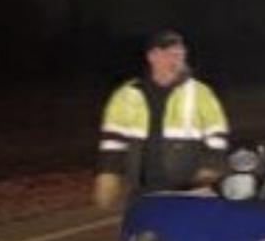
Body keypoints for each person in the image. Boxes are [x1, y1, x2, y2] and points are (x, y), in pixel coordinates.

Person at [92, 30, 230, 209]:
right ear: (152, 56)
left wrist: (211, 168)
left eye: (180, 55)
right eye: (170, 54)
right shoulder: (127, 94)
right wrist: (108, 174)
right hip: (142, 188)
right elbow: (112, 140)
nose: (176, 60)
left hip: (187, 188)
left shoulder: (200, 93)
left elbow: (218, 135)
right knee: (143, 234)